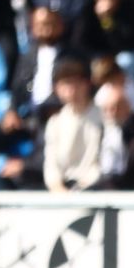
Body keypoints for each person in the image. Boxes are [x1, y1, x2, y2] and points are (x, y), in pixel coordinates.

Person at [42, 59, 103, 193]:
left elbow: (104, 162)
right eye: (65, 84)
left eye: (75, 83)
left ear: (87, 83)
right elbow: (51, 165)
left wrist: (83, 186)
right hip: (63, 191)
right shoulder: (55, 122)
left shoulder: (103, 116)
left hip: (95, 188)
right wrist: (58, 188)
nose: (71, 90)